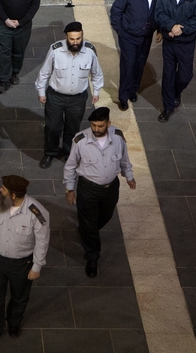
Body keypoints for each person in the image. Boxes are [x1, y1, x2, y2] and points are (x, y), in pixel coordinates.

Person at [0, 175, 50, 345]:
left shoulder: (36, 213)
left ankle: (14, 323)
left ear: (13, 195)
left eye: (3, 189)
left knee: (19, 297)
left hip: (22, 264)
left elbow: (42, 241)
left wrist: (37, 267)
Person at [63, 107, 135, 277]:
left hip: (111, 188)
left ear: (108, 124)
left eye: (100, 126)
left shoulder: (117, 136)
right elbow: (70, 166)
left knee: (105, 216)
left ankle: (87, 231)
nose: (96, 129)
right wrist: (70, 189)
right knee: (89, 223)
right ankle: (92, 256)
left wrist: (129, 176)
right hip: (88, 189)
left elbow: (124, 158)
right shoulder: (80, 140)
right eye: (94, 125)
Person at [35, 22, 104, 169]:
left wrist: (96, 91)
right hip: (55, 96)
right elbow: (45, 72)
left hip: (77, 98)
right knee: (52, 127)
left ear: (82, 36)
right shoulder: (56, 50)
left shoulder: (90, 51)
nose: (75, 42)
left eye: (78, 38)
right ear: (66, 37)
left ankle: (69, 153)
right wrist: (41, 91)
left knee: (72, 128)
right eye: (72, 39)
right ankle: (50, 152)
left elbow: (97, 73)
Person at [153, 0, 196, 122]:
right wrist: (171, 26)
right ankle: (168, 107)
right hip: (169, 44)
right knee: (168, 75)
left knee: (185, 76)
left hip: (186, 44)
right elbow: (158, 14)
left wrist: (180, 29)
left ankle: (176, 92)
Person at [110, 0, 165, 110]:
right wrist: (120, 31)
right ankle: (123, 96)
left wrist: (159, 29)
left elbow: (162, 10)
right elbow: (116, 10)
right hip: (129, 37)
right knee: (128, 66)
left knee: (140, 64)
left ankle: (133, 89)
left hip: (146, 36)